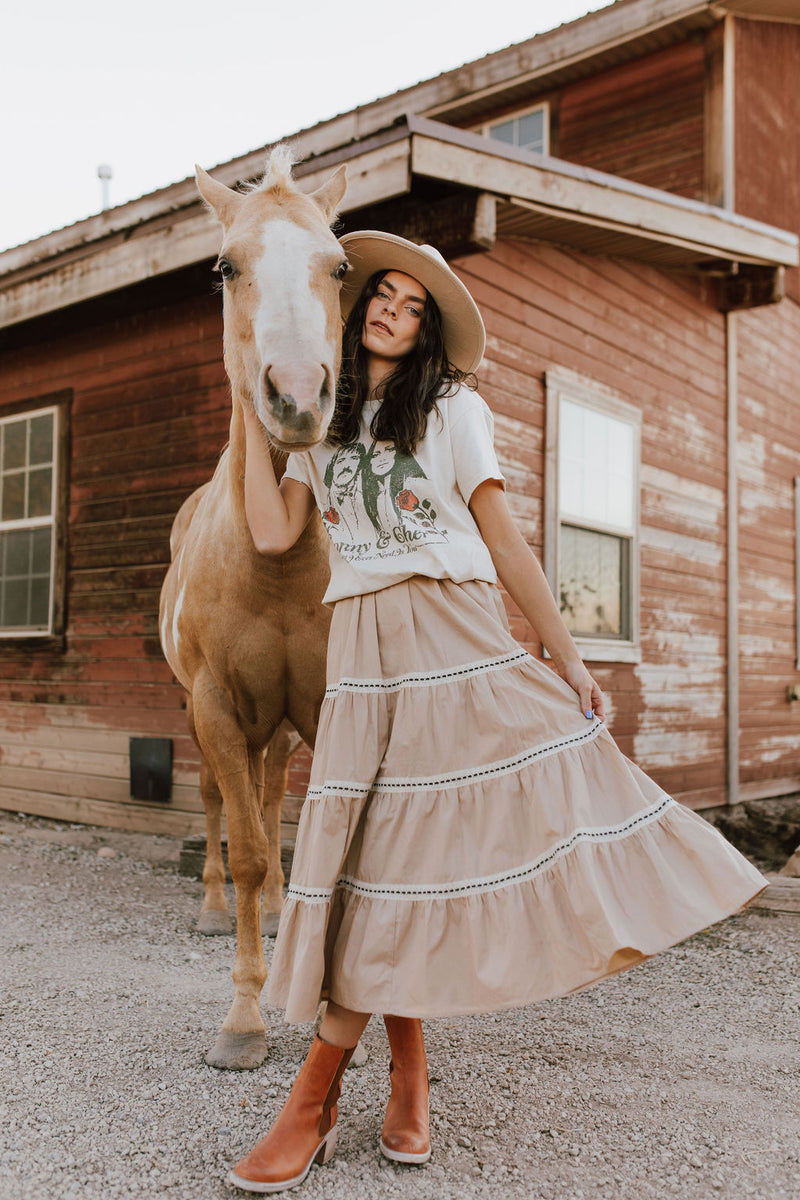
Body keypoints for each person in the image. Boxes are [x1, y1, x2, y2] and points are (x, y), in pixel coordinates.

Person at [230, 232, 766, 1193]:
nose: (394, 308)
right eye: (383, 295)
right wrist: (245, 400)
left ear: (427, 331)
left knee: (401, 853)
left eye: (414, 304)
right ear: (356, 314)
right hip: (360, 648)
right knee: (372, 862)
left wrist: (570, 661)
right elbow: (273, 537)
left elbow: (507, 545)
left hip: (454, 636)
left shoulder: (452, 409)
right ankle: (409, 1068)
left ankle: (310, 1101)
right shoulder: (319, 423)